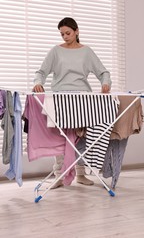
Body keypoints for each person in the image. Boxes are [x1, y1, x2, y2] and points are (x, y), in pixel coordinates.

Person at [32, 17, 112, 188]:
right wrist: (38, 83)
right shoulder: (55, 51)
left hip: (82, 99)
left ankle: (81, 173)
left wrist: (105, 84)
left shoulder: (87, 52)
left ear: (77, 31)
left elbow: (103, 72)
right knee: (60, 136)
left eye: (68, 33)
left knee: (81, 135)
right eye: (62, 34)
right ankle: (59, 175)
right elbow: (41, 72)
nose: (65, 37)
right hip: (60, 99)